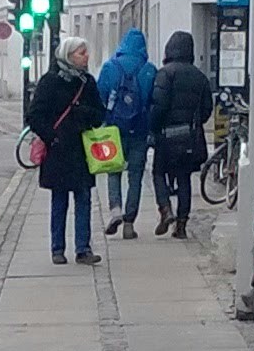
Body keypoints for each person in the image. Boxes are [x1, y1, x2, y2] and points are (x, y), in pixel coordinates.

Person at [26, 38, 106, 266]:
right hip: (58, 151)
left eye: (85, 52)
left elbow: (100, 115)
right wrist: (52, 136)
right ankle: (57, 248)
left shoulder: (87, 82)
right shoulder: (50, 82)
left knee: (84, 199)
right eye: (82, 53)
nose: (86, 56)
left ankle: (83, 249)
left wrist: (84, 113)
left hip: (82, 150)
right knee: (59, 200)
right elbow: (34, 116)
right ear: (69, 56)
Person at [149, 30, 215, 239]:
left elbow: (158, 106)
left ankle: (165, 209)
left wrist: (154, 128)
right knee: (184, 179)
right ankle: (182, 225)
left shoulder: (165, 73)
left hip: (167, 135)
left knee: (158, 173)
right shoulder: (200, 77)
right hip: (190, 136)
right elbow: (206, 109)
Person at [97, 27, 158, 238]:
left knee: (113, 171)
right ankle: (130, 223)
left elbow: (100, 98)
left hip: (113, 130)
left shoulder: (110, 67)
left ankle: (115, 210)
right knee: (135, 176)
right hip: (140, 130)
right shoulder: (149, 69)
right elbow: (154, 102)